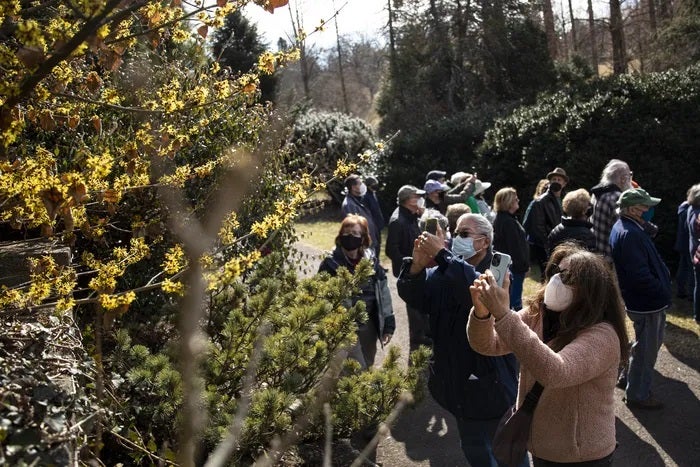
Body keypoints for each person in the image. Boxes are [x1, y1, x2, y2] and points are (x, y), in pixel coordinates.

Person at [468, 245, 629, 466]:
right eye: (555, 271)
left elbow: (556, 372)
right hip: (541, 445)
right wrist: (481, 313)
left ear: (591, 290)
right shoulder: (539, 314)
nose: (556, 280)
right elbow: (487, 344)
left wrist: (504, 314)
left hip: (581, 455)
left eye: (568, 277)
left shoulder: (603, 335)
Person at [398, 213, 523, 467]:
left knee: (509, 454)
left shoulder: (496, 274)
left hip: (492, 384)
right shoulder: (446, 270)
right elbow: (418, 298)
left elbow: (479, 293)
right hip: (458, 384)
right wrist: (416, 267)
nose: (457, 238)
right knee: (475, 450)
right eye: (456, 233)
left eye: (465, 234)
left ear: (484, 242)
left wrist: (444, 256)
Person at [609, 188, 671, 409]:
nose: (649, 210)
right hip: (647, 303)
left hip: (642, 301)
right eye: (647, 207)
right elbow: (639, 275)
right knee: (647, 349)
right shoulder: (631, 233)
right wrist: (661, 290)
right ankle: (638, 394)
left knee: (642, 344)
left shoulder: (626, 227)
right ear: (634, 209)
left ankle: (628, 378)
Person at [318, 214, 395, 369]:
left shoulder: (372, 262)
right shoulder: (330, 263)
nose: (349, 237)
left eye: (354, 234)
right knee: (355, 367)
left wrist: (388, 323)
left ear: (363, 238)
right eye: (346, 234)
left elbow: (383, 293)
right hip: (343, 325)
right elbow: (320, 294)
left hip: (369, 324)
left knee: (367, 363)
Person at [386, 184, 430, 349]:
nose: (419, 199)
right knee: (413, 305)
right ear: (408, 200)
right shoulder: (397, 221)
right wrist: (410, 265)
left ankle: (422, 333)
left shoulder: (411, 215)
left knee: (420, 303)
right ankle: (417, 339)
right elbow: (391, 250)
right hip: (409, 271)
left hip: (417, 267)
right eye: (416, 196)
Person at [523, 168, 569, 280]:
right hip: (546, 247)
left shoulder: (564, 199)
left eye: (559, 179)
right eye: (554, 179)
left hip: (559, 245)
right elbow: (538, 228)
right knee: (548, 278)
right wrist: (548, 245)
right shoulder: (541, 201)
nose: (556, 182)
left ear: (564, 183)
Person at [492, 187, 529, 310]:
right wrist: (523, 266)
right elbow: (515, 248)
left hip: (508, 266)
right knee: (514, 302)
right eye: (515, 198)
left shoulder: (504, 219)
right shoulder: (508, 222)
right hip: (514, 268)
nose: (518, 199)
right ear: (508, 202)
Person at [590, 159, 633, 260]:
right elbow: (624, 232)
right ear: (623, 179)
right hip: (611, 257)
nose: (631, 179)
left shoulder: (597, 193)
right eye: (629, 175)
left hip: (598, 253)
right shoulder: (617, 197)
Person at [547, 188, 596, 254]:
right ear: (583, 211)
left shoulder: (556, 230)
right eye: (588, 205)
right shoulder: (587, 235)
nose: (590, 207)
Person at [341, 174, 380, 255]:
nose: (363, 185)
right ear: (353, 187)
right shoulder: (349, 205)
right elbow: (352, 229)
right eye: (360, 183)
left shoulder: (358, 200)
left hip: (369, 243)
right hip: (362, 247)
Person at [686, 183, 700, 323]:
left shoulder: (690, 209)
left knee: (698, 283)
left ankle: (697, 315)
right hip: (698, 252)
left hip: (694, 251)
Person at [364, 176, 386, 257]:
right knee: (374, 245)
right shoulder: (366, 197)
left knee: (378, 244)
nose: (375, 185)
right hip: (373, 225)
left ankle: (378, 263)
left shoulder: (373, 194)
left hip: (378, 224)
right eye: (374, 184)